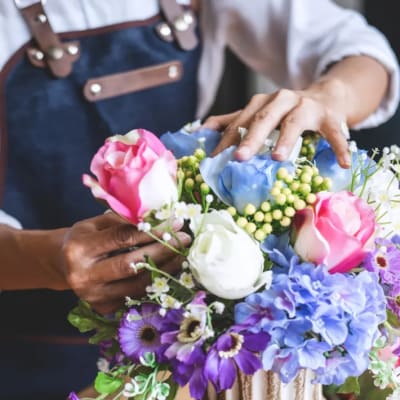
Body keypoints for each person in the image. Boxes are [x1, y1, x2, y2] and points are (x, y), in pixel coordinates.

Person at [0, 0, 398, 399]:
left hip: (179, 358)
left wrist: (328, 97)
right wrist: (45, 258)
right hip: (21, 352)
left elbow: (364, 55)